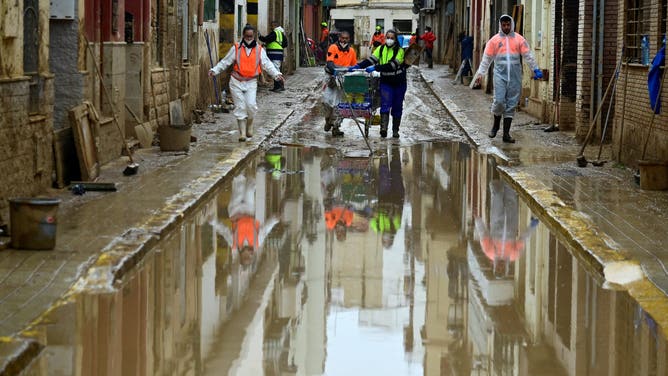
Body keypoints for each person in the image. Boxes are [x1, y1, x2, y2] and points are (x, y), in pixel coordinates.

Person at [470, 14, 543, 143]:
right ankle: (496, 125)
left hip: (515, 76)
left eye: (508, 25)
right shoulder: (494, 41)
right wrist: (480, 74)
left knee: (511, 104)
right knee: (499, 101)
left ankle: (506, 134)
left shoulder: (519, 39)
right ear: (500, 25)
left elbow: (528, 56)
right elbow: (486, 60)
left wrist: (535, 69)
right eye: (504, 25)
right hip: (500, 75)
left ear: (511, 24)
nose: (506, 27)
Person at [209, 24, 285, 142]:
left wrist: (276, 74)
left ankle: (250, 124)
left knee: (251, 105)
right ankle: (242, 133)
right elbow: (226, 61)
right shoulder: (236, 48)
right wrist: (215, 70)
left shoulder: (259, 50)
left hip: (251, 82)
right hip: (236, 81)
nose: (249, 38)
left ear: (254, 36)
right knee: (240, 106)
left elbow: (267, 64)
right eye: (247, 36)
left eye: (251, 36)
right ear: (243, 36)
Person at [352, 29, 407, 138]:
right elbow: (371, 60)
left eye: (392, 38)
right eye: (388, 37)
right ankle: (383, 129)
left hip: (399, 83)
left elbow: (392, 66)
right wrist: (358, 66)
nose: (389, 40)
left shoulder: (400, 51)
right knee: (385, 104)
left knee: (397, 107)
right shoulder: (381, 49)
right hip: (386, 82)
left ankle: (395, 130)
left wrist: (375, 68)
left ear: (395, 40)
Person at [322, 31, 357, 136]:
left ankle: (336, 126)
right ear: (339, 38)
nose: (344, 40)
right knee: (327, 101)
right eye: (342, 38)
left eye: (346, 38)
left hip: (344, 78)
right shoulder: (333, 48)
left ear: (349, 39)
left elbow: (354, 66)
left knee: (341, 103)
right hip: (331, 77)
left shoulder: (351, 51)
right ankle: (328, 120)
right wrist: (335, 70)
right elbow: (330, 63)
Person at [259, 21, 288, 92]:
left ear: (274, 26)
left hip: (274, 53)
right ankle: (279, 86)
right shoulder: (281, 33)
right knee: (277, 69)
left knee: (275, 70)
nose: (270, 27)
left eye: (271, 26)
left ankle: (278, 86)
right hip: (279, 53)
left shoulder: (275, 32)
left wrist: (259, 36)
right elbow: (285, 44)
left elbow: (266, 39)